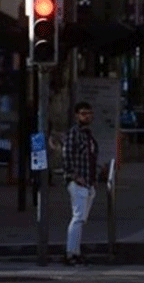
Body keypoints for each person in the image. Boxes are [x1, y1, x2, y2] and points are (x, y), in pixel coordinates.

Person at [62, 102, 99, 266]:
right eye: (83, 113)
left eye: (89, 113)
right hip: (79, 181)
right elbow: (67, 156)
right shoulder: (74, 133)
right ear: (77, 115)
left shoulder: (87, 134)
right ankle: (71, 253)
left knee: (81, 218)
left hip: (88, 181)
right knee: (78, 217)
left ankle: (75, 251)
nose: (87, 116)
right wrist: (74, 176)